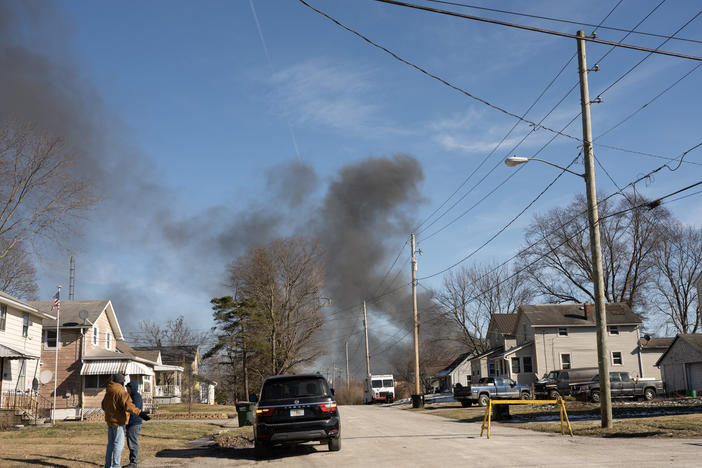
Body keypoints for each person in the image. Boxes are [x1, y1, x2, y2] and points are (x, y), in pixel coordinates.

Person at [101, 373, 150, 468]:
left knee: (110, 445)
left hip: (110, 422)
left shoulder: (108, 392)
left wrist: (112, 411)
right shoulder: (121, 392)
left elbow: (103, 406)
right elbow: (129, 406)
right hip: (119, 423)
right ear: (121, 382)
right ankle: (116, 465)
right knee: (118, 445)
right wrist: (140, 413)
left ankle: (108, 465)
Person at [125, 381, 144, 468]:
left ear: (132, 388)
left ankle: (133, 462)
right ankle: (132, 461)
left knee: (132, 443)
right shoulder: (130, 396)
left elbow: (134, 410)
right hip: (131, 423)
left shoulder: (136, 397)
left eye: (128, 388)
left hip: (135, 423)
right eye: (127, 388)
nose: (127, 389)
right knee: (130, 442)